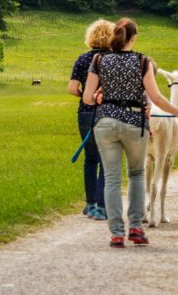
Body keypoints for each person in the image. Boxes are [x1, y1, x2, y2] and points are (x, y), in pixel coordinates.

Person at [83, 18, 178, 248]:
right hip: (134, 122)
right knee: (136, 174)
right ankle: (135, 228)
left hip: (106, 123)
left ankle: (115, 232)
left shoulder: (98, 59)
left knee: (112, 178)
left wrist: (99, 97)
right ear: (133, 38)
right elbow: (157, 98)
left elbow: (87, 98)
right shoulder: (141, 61)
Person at [68, 19, 114, 221]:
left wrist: (85, 96)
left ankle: (90, 203)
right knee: (106, 160)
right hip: (108, 112)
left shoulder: (82, 59)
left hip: (86, 113)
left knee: (90, 158)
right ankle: (102, 206)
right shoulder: (114, 59)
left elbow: (72, 89)